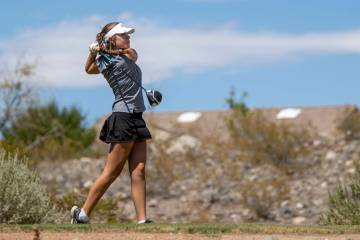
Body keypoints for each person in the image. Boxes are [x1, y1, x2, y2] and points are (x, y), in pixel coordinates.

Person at [70, 22, 153, 224]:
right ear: (113, 38)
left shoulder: (126, 53)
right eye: (124, 34)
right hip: (122, 117)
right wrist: (93, 52)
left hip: (137, 117)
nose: (128, 37)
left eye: (128, 34)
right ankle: (82, 214)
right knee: (112, 171)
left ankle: (142, 220)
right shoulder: (107, 61)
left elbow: (133, 54)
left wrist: (105, 48)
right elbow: (89, 69)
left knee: (139, 170)